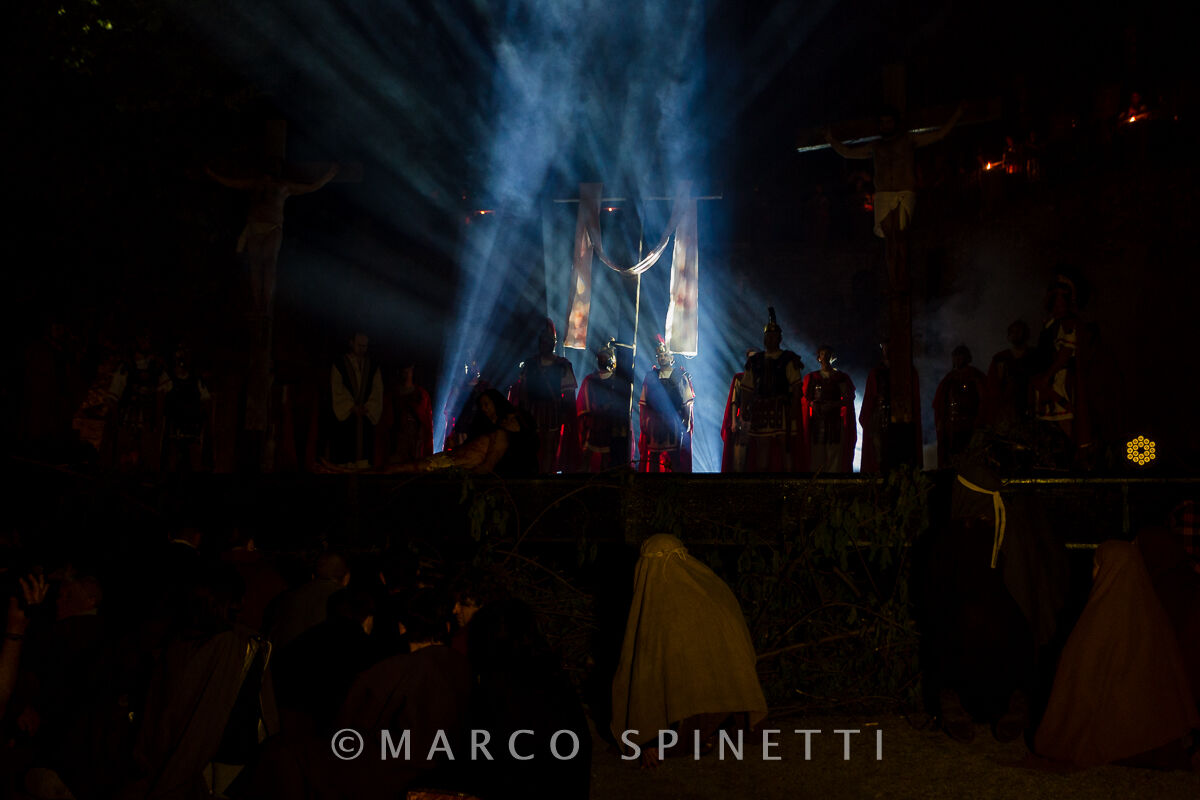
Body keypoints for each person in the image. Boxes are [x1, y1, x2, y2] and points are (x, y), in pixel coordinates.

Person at [1034, 541, 1198, 767]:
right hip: (1157, 739)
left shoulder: (1100, 619)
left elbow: (1078, 679)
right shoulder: (1152, 616)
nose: (1093, 573)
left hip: (1115, 739)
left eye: (1097, 566)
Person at [611, 534, 767, 765]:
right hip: (721, 708)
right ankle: (704, 733)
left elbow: (647, 682)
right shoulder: (711, 589)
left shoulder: (667, 607)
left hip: (706, 712)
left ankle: (682, 737)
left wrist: (647, 740)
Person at [733, 309, 804, 472]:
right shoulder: (755, 361)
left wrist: (794, 410)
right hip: (761, 410)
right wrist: (744, 408)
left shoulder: (788, 359)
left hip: (783, 409)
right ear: (764, 339)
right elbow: (747, 388)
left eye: (774, 336)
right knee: (762, 452)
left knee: (786, 451)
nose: (770, 339)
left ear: (779, 338)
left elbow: (796, 387)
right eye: (768, 336)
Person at [511, 318, 578, 473]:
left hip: (552, 412)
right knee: (530, 448)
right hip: (531, 413)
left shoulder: (562, 365)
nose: (544, 343)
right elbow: (523, 391)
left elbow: (568, 395)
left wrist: (564, 415)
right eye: (542, 340)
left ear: (553, 343)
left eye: (547, 340)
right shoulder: (530, 364)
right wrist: (522, 413)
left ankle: (547, 477)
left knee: (549, 448)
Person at [859, 340, 922, 472]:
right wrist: (868, 420)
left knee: (900, 454)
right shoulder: (876, 373)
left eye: (890, 346)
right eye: (884, 346)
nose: (887, 350)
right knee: (880, 455)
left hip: (901, 418)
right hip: (880, 417)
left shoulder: (908, 371)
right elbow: (870, 399)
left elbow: (912, 398)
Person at [637, 338, 695, 473]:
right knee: (653, 459)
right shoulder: (651, 376)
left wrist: (686, 421)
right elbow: (644, 402)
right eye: (660, 356)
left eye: (665, 355)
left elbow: (687, 401)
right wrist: (644, 422)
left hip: (673, 422)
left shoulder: (680, 376)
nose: (663, 358)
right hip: (655, 423)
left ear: (672, 358)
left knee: (675, 458)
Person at [329, 332, 384, 468]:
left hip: (365, 419)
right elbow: (337, 388)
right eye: (359, 345)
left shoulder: (372, 366)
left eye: (365, 346)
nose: (362, 349)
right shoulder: (339, 364)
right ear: (351, 343)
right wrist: (351, 407)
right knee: (345, 458)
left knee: (364, 459)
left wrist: (367, 407)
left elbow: (377, 389)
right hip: (346, 419)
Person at [576, 340, 631, 472]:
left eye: (606, 356)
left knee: (607, 457)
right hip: (593, 423)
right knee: (586, 455)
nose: (603, 359)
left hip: (610, 424)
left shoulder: (616, 381)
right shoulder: (590, 380)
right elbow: (585, 402)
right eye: (601, 357)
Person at [801, 345, 856, 472]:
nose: (824, 357)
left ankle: (833, 489)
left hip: (835, 424)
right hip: (817, 424)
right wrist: (812, 405)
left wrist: (833, 405)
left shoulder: (840, 378)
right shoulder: (812, 378)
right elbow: (806, 399)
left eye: (827, 354)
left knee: (834, 460)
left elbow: (848, 398)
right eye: (822, 354)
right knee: (817, 459)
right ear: (818, 358)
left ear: (832, 357)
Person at [933, 346, 987, 469]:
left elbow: (984, 399)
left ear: (966, 357)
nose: (957, 359)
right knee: (951, 456)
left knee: (969, 456)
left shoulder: (975, 376)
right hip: (951, 426)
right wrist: (941, 421)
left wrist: (979, 422)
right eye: (955, 356)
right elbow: (940, 402)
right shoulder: (949, 378)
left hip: (970, 424)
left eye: (960, 356)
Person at [162, 343, 211, 473]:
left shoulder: (196, 381)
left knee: (193, 454)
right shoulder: (168, 380)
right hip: (174, 424)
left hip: (192, 424)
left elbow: (205, 400)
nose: (180, 363)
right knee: (173, 454)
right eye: (178, 359)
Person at [377, 362, 433, 467]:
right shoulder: (392, 395)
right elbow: (385, 423)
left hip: (415, 444)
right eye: (404, 372)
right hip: (396, 443)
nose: (406, 374)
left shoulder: (421, 395)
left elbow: (426, 423)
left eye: (409, 371)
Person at [984, 321, 1034, 430]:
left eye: (1018, 331)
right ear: (1008, 336)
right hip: (1007, 406)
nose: (1015, 334)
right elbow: (993, 385)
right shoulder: (1000, 358)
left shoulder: (1034, 355)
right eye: (1012, 332)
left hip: (1031, 403)